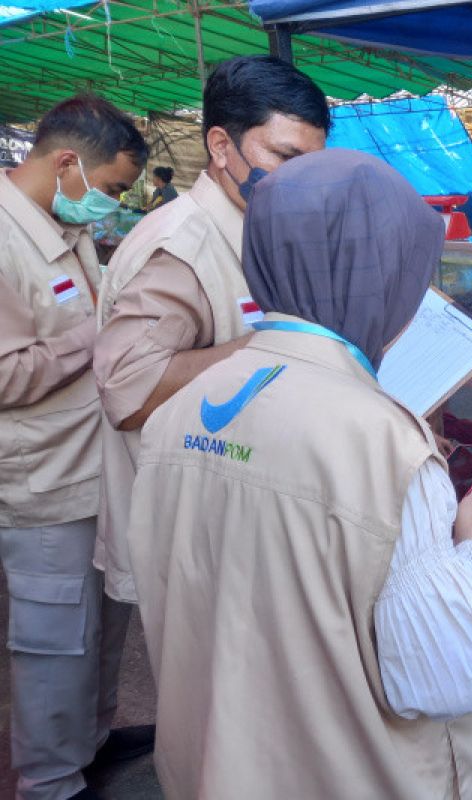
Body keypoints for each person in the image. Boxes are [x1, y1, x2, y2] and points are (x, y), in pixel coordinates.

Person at [126, 148, 472, 798]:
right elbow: (448, 675)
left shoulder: (179, 412)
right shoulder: (383, 443)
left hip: (213, 768)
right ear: (389, 278)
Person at [92, 56, 329, 611]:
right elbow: (128, 393)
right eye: (284, 157)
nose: (297, 180)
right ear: (221, 146)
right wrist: (285, 341)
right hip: (186, 533)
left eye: (310, 165)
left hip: (230, 513)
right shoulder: (181, 248)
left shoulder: (251, 222)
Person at [0, 94, 149, 800]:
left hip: (97, 466)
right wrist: (93, 337)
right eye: (112, 188)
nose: (112, 205)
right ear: (66, 162)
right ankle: (49, 781)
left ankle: (90, 740)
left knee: (105, 620)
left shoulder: (65, 221)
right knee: (54, 640)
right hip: (42, 481)